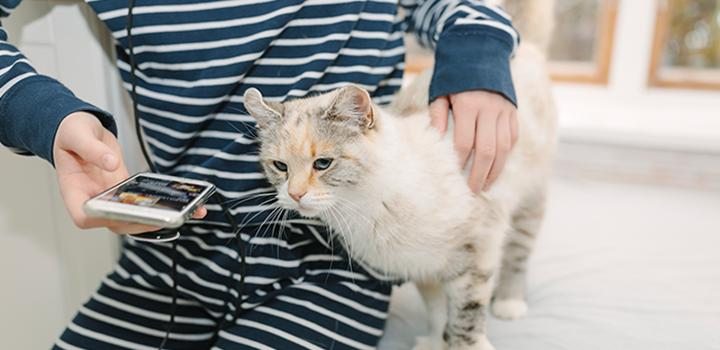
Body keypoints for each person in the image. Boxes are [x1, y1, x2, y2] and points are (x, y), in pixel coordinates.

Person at [0, 0, 519, 348]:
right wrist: (45, 115)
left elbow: (457, 6)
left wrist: (479, 50)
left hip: (333, 266)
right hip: (172, 257)